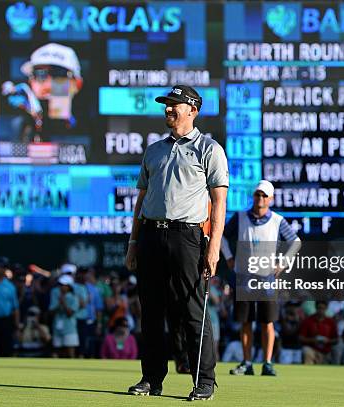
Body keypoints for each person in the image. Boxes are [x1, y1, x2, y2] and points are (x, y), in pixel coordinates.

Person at [125, 85, 228, 400]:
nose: (168, 109)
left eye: (175, 104)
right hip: (151, 235)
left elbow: (219, 201)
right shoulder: (154, 149)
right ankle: (151, 379)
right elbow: (141, 199)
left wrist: (214, 248)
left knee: (192, 311)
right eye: (166, 104)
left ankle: (204, 382)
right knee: (151, 313)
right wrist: (133, 242)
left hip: (188, 236)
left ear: (193, 110)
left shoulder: (209, 149)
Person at [222, 180, 301, 376]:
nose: (260, 198)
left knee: (268, 321)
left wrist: (282, 264)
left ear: (271, 199)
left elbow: (296, 242)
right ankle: (247, 362)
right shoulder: (240, 217)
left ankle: (267, 363)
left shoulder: (277, 220)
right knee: (246, 320)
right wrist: (229, 257)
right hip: (244, 276)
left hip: (266, 278)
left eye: (265, 195)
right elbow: (222, 236)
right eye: (258, 194)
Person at [2, 43, 83, 142]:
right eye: (40, 74)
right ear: (31, 81)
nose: (48, 84)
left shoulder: (90, 125)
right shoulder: (19, 125)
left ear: (77, 83)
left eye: (59, 74)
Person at [50, 274, 79, 358]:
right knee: (56, 352)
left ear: (69, 286)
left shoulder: (74, 298)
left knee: (70, 353)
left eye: (64, 285)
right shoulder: (55, 295)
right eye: (60, 285)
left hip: (70, 329)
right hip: (57, 328)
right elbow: (51, 312)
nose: (62, 287)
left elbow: (70, 314)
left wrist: (64, 303)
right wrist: (59, 304)